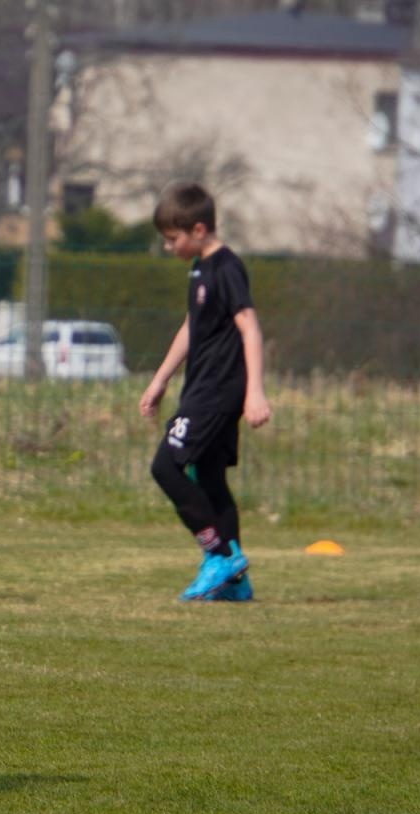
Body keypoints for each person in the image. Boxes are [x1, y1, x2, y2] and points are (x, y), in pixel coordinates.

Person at [138, 182, 271, 602]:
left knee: (165, 467)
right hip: (202, 388)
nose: (167, 247)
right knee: (211, 480)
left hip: (218, 392)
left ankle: (217, 556)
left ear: (198, 229)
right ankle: (236, 582)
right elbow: (192, 329)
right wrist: (160, 380)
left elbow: (249, 327)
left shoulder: (226, 267)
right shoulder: (199, 268)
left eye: (172, 239)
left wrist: (256, 392)